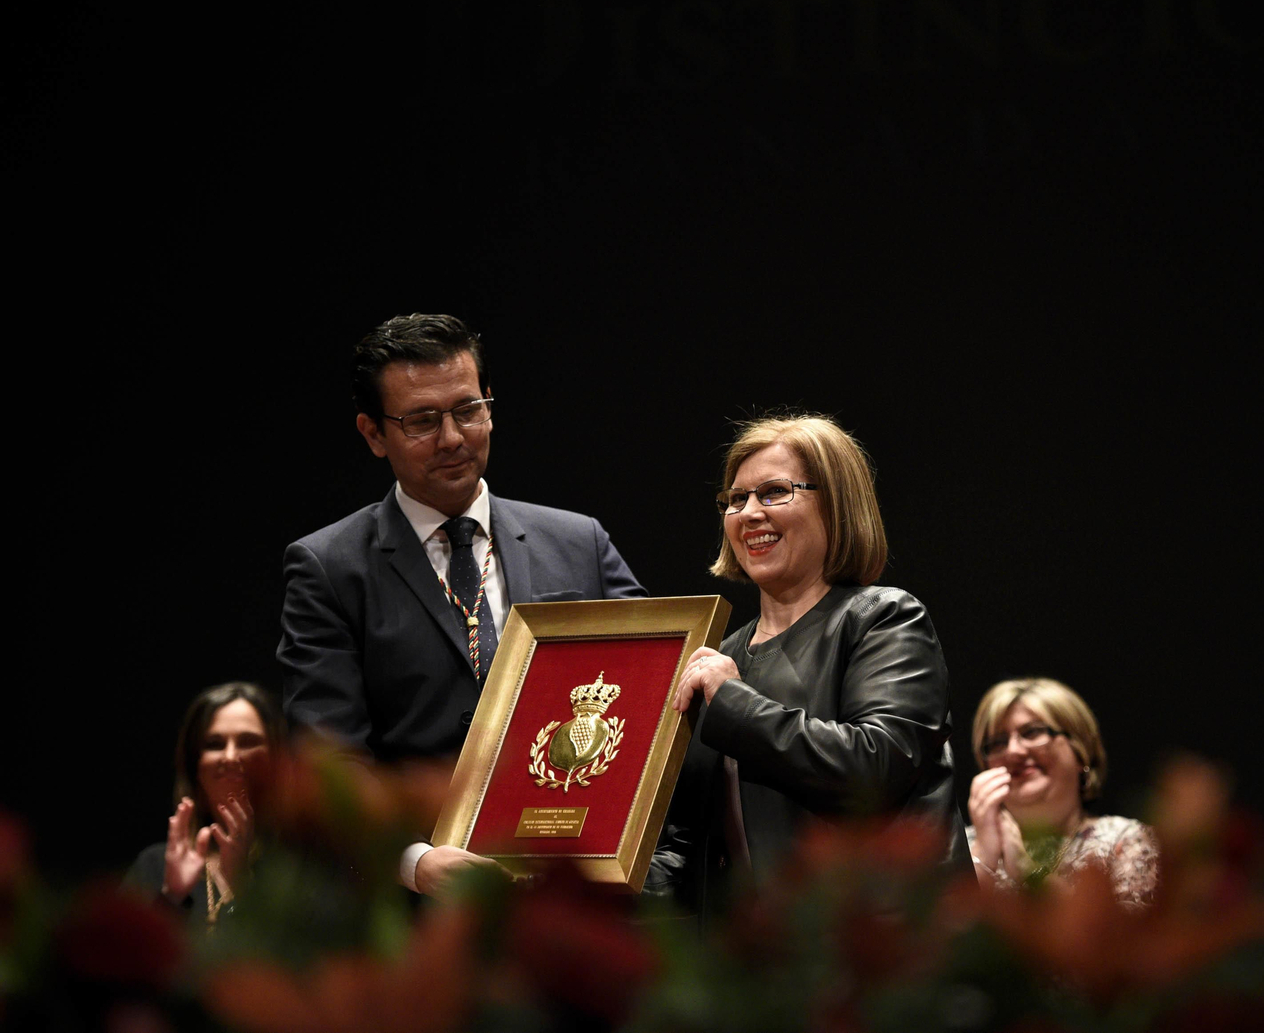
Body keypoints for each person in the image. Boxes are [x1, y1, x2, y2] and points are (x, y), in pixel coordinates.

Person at [278, 313, 645, 894]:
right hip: (421, 906)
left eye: (467, 410)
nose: (452, 437)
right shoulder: (331, 568)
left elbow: (650, 689)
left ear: (490, 407)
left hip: (575, 886)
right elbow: (331, 766)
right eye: (422, 420)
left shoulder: (579, 544)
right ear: (373, 433)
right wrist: (414, 862)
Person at [647, 414, 967, 910]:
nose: (750, 513)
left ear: (836, 504)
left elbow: (875, 767)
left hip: (879, 952)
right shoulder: (720, 658)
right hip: (761, 964)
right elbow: (690, 844)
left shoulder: (883, 618)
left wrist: (735, 702)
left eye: (775, 492)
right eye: (736, 499)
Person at [967, 678, 1157, 906]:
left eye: (1032, 732)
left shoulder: (1128, 842)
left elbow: (1115, 939)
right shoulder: (958, 845)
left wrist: (1026, 869)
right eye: (997, 743)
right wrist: (983, 856)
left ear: (1080, 751)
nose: (1013, 751)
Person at [126, 683, 284, 925]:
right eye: (214, 744)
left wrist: (241, 886)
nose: (230, 757)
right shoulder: (155, 866)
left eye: (248, 741)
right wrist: (171, 898)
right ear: (195, 768)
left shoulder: (299, 866)